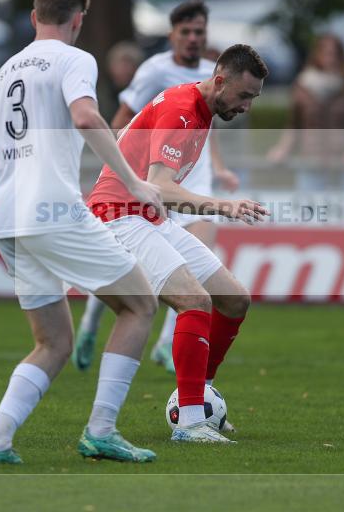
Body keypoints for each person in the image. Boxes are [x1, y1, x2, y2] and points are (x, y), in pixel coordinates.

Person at [0, 0, 164, 465]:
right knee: (141, 304)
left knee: (53, 342)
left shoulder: (4, 73)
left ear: (34, 16)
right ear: (78, 19)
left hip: (8, 219)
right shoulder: (75, 59)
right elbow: (84, 116)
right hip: (52, 212)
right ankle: (101, 430)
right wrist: (134, 181)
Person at [87, 44, 269, 443]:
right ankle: (189, 423)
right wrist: (224, 205)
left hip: (148, 216)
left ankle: (199, 398)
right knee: (194, 301)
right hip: (119, 215)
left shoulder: (200, 109)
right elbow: (161, 187)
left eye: (253, 98)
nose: (247, 107)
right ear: (219, 81)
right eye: (244, 95)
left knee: (234, 299)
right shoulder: (182, 110)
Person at [72, 0, 239, 374]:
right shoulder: (154, 71)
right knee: (132, 271)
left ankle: (169, 345)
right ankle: (90, 324)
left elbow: (206, 132)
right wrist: (119, 172)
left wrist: (219, 169)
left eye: (199, 32)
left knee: (202, 277)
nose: (193, 38)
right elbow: (125, 118)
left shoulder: (213, 76)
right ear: (172, 35)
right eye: (186, 31)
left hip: (191, 181)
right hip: (149, 184)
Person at [266, 33, 344, 191]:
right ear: (316, 55)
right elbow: (295, 125)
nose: (330, 57)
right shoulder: (303, 86)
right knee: (310, 206)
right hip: (312, 164)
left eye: (334, 53)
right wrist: (283, 149)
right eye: (325, 52)